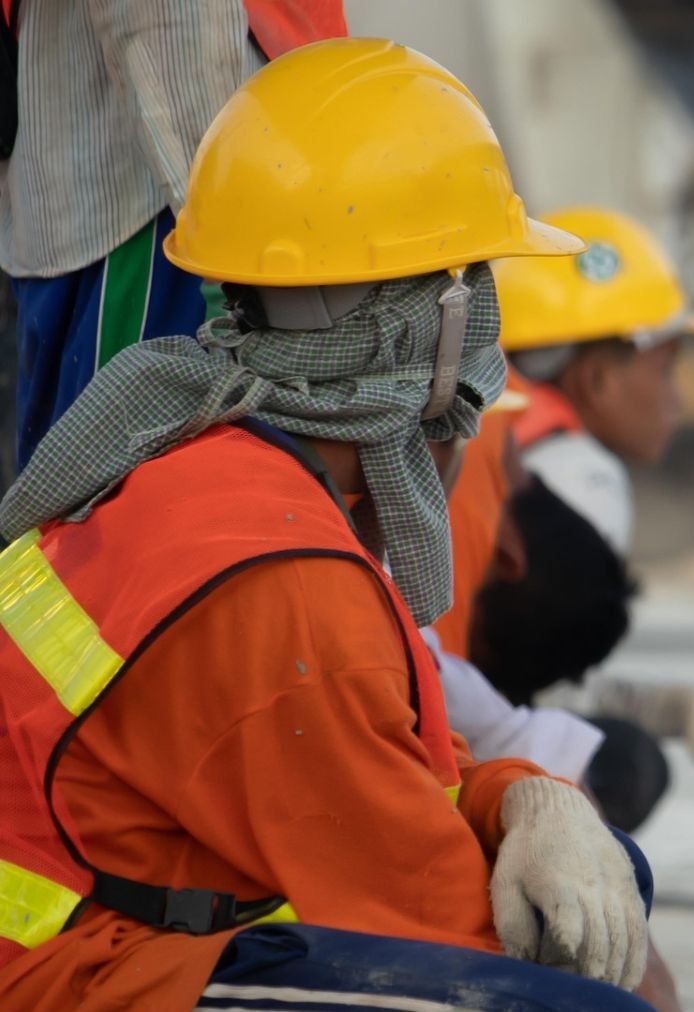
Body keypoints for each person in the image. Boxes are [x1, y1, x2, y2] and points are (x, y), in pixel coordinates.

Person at [0, 38, 658, 1010]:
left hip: (114, 936)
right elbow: (441, 920)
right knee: (571, 996)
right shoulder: (281, 569)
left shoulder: (233, 472)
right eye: (478, 291)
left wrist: (524, 792)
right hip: (74, 977)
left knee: (606, 882)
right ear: (431, 330)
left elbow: (405, 769)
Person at [439, 206, 694, 833]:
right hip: (447, 745)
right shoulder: (580, 476)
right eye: (666, 366)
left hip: (423, 705)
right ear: (595, 378)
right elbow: (538, 696)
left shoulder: (471, 418)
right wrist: (669, 712)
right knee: (626, 761)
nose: (676, 396)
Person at [0, 1, 347, 470]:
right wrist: (233, 252)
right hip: (160, 211)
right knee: (132, 510)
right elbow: (168, 27)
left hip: (181, 196)